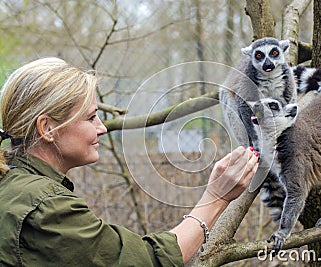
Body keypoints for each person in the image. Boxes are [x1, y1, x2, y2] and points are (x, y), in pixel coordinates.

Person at [0, 57, 259, 266]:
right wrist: (216, 197)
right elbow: (148, 261)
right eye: (91, 118)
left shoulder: (11, 183)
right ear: (47, 128)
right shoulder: (45, 207)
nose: (102, 128)